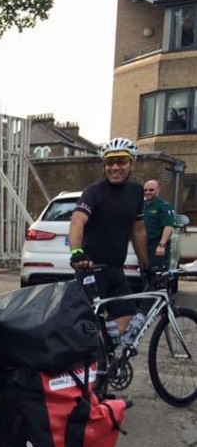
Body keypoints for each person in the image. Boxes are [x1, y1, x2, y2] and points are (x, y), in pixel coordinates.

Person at [69, 138, 149, 334]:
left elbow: (138, 230)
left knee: (126, 322)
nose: (115, 167)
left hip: (116, 270)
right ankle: (95, 351)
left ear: (132, 164)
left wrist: (147, 265)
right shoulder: (93, 192)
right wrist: (77, 252)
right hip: (91, 271)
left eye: (121, 161)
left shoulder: (136, 192)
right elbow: (77, 221)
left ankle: (107, 351)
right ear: (103, 166)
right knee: (88, 330)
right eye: (109, 162)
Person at [142, 179, 176, 272]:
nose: (147, 192)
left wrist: (161, 245)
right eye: (145, 190)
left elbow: (168, 226)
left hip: (156, 246)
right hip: (143, 246)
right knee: (144, 273)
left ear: (158, 190)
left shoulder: (164, 206)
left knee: (157, 275)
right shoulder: (141, 205)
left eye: (151, 190)